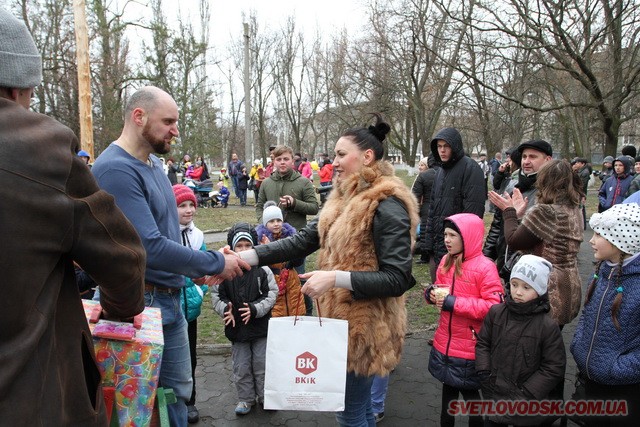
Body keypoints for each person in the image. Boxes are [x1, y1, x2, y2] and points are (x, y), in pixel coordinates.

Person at [0, 8, 146, 425]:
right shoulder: (38, 147)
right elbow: (125, 259)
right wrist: (119, 311)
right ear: (15, 86)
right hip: (30, 395)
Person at [237, 113, 419, 426]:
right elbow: (301, 243)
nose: (332, 161)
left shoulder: (386, 204)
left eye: (340, 154)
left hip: (365, 330)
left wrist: (334, 278)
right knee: (357, 412)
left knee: (349, 415)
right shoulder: (342, 198)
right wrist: (246, 257)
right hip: (338, 327)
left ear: (366, 156)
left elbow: (398, 278)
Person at [92, 85, 249, 426]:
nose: (176, 130)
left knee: (176, 393)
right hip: (140, 304)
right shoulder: (116, 170)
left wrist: (197, 267)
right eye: (169, 121)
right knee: (142, 404)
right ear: (139, 117)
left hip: (170, 298)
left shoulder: (152, 165)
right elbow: (147, 247)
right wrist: (217, 263)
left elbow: (166, 236)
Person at [425, 213, 503, 427]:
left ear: (467, 237)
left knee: (471, 399)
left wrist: (454, 303)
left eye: (452, 235)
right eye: (445, 235)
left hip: (470, 346)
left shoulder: (485, 267)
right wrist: (431, 294)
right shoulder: (446, 261)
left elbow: (493, 306)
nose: (446, 240)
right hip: (446, 343)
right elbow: (441, 289)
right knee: (447, 396)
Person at [570, 203, 640, 426]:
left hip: (624, 387)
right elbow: (587, 314)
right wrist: (578, 345)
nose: (591, 240)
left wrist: (618, 367)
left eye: (599, 235)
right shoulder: (602, 272)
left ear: (622, 241)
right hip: (591, 378)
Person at [476, 255, 566, 426]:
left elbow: (553, 367)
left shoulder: (547, 326)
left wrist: (528, 393)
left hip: (526, 405)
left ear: (539, 290)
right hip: (494, 395)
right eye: (514, 284)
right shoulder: (496, 313)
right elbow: (483, 343)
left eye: (526, 287)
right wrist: (483, 372)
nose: (518, 292)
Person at [211, 223, 277, 416]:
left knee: (261, 364)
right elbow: (216, 295)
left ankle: (266, 397)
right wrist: (225, 309)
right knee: (241, 366)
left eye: (247, 246)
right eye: (239, 246)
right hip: (237, 329)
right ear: (231, 248)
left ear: (254, 246)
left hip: (260, 328)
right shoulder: (224, 272)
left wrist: (256, 309)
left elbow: (271, 293)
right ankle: (245, 399)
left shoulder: (263, 269)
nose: (243, 250)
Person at [256, 144, 319, 315]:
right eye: (279, 159)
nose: (282, 162)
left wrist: (295, 203)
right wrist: (263, 227)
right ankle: (275, 318)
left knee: (298, 280)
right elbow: (259, 206)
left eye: (286, 159)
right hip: (271, 242)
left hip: (297, 241)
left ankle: (305, 315)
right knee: (272, 281)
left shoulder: (303, 182)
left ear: (293, 161)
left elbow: (314, 207)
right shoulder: (267, 183)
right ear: (273, 161)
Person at [483, 140, 552, 282]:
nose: (526, 161)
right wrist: (487, 255)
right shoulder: (512, 186)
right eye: (524, 157)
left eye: (533, 157)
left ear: (547, 160)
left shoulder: (550, 192)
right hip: (505, 260)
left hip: (532, 269)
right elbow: (497, 225)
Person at [424, 127, 486, 283]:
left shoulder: (470, 168)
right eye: (439, 146)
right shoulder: (439, 172)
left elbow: (473, 213)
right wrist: (428, 243)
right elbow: (432, 209)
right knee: (440, 295)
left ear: (455, 146)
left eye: (446, 146)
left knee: (459, 295)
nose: (442, 150)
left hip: (460, 247)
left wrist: (464, 246)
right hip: (439, 244)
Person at [172, 184, 208, 424]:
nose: (188, 210)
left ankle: (191, 401)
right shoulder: (167, 234)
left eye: (191, 205)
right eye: (182, 206)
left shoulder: (198, 236)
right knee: (172, 359)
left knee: (190, 357)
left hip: (191, 309)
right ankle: (172, 402)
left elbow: (204, 266)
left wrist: (199, 290)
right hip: (172, 308)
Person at [255, 201, 306, 316]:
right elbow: (262, 265)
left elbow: (298, 262)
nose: (276, 224)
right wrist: (267, 249)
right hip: (272, 281)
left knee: (295, 308)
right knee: (277, 312)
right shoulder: (261, 241)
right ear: (265, 223)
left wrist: (299, 251)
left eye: (278, 220)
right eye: (272, 221)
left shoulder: (291, 238)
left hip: (291, 280)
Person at [412, 155, 438, 264]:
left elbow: (415, 196)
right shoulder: (447, 173)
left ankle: (425, 256)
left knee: (425, 232)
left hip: (427, 206)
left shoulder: (423, 176)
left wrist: (415, 211)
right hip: (442, 206)